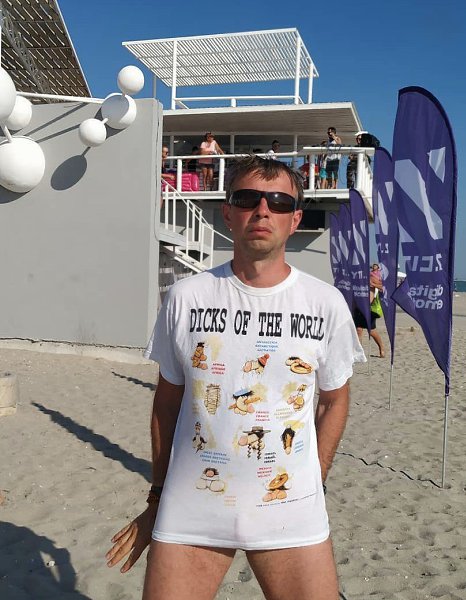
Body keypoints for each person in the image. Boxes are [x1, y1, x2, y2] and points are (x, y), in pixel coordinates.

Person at [106, 156, 365, 600]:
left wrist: (315, 481)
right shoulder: (187, 297)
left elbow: (333, 400)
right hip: (192, 507)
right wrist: (156, 499)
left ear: (295, 219)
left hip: (291, 509)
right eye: (248, 199)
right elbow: (167, 402)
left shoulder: (325, 304)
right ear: (228, 212)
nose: (263, 210)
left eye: (279, 202)